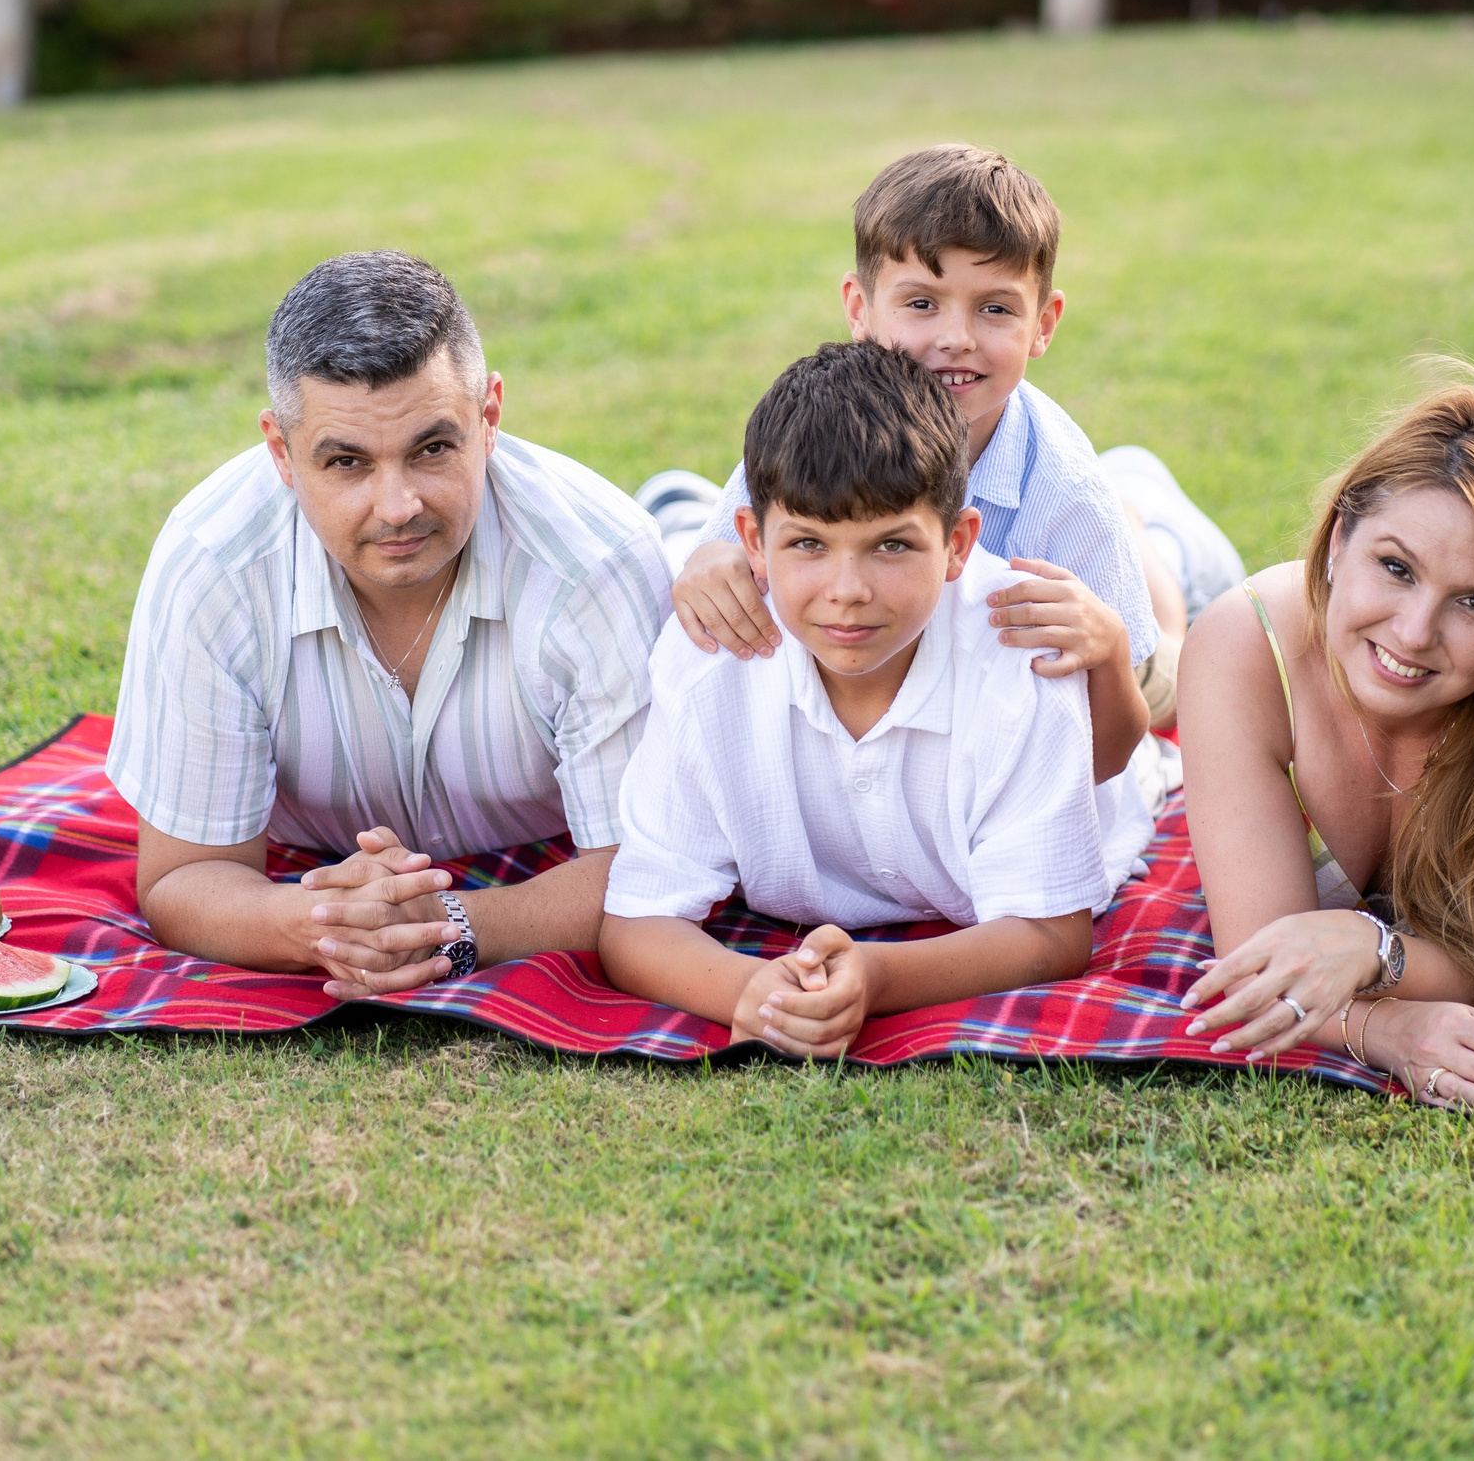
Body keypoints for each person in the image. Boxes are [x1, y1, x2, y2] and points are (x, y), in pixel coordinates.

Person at [109, 251, 672, 998]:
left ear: (490, 418)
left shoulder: (598, 564)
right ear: (281, 451)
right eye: (347, 462)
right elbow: (184, 873)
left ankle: (683, 510)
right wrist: (315, 922)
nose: (397, 503)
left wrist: (449, 928)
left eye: (432, 448)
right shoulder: (211, 564)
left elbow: (650, 862)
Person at [601, 343, 1143, 1056]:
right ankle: (679, 508)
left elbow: (1051, 933)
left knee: (1164, 562)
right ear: (752, 545)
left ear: (957, 544)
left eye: (890, 546)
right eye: (807, 544)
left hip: (1119, 767)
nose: (847, 589)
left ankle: (1144, 499)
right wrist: (749, 991)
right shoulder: (707, 661)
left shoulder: (1026, 658)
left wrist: (879, 976)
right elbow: (635, 921)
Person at [653, 143, 1238, 783]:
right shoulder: (819, 422)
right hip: (914, 648)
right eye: (922, 304)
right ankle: (682, 507)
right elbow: (734, 560)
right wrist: (708, 557)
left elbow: (1110, 735)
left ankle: (1143, 514)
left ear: (1043, 323)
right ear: (859, 309)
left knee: (1169, 681)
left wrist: (1120, 646)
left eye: (994, 308)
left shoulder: (1066, 492)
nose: (956, 337)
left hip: (1079, 594)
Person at [1175, 376, 1474, 1116]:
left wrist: (1373, 950)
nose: (1412, 632)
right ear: (1340, 540)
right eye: (1395, 567)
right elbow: (1261, 972)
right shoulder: (1246, 648)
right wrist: (1387, 1027)